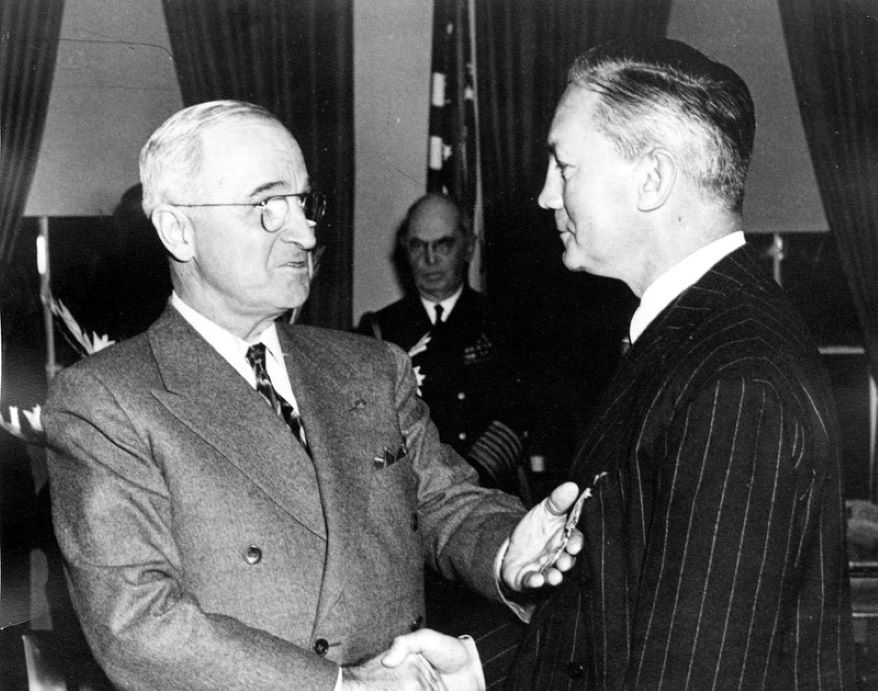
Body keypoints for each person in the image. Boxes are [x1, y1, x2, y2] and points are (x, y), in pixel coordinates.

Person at [42, 100, 582, 691]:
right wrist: (342, 687)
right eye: (267, 206)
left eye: (304, 203)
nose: (305, 231)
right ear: (178, 229)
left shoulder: (370, 366)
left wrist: (509, 550)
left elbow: (442, 503)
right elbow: (139, 625)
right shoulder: (106, 400)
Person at [506, 38, 856, 689]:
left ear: (653, 178)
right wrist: (481, 666)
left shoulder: (735, 379)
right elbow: (628, 625)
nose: (545, 196)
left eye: (564, 164)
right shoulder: (697, 337)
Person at [357, 193, 526, 497]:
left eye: (443, 245)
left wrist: (469, 481)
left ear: (469, 247)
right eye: (418, 246)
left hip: (486, 487)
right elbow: (372, 430)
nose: (430, 260)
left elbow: (519, 415)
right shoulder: (380, 329)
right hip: (412, 493)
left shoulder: (503, 323)